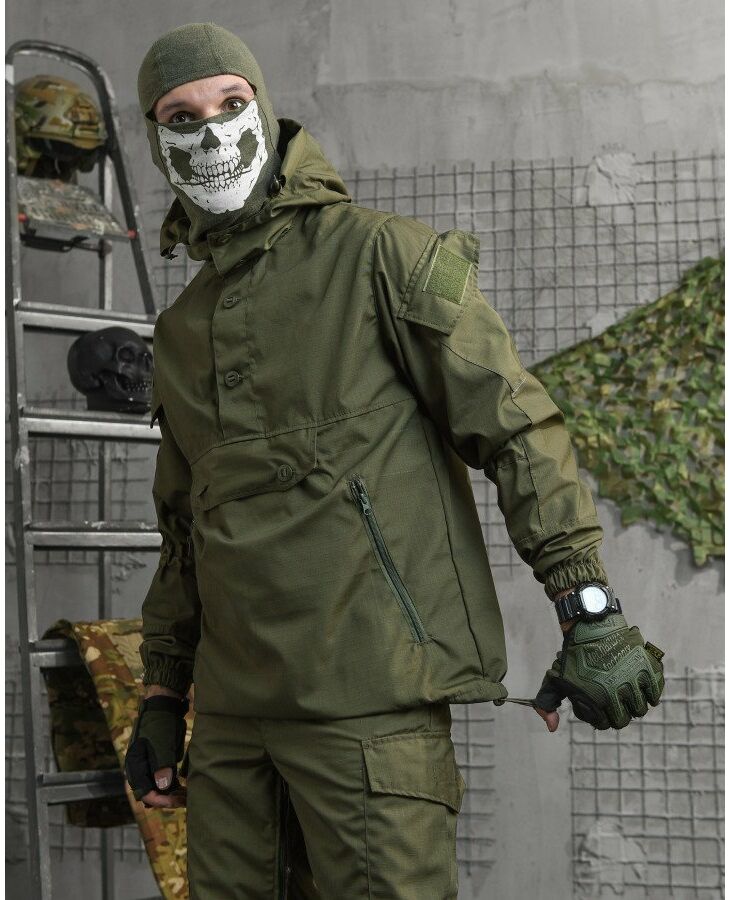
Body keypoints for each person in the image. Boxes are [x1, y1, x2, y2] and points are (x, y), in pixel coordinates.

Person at [124, 22, 665, 899]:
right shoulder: (181, 329)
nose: (210, 131)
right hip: (229, 727)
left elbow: (516, 428)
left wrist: (588, 605)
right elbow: (185, 530)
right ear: (155, 140)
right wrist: (160, 694)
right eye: (180, 116)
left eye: (230, 102)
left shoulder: (382, 257)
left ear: (265, 108)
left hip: (371, 710)